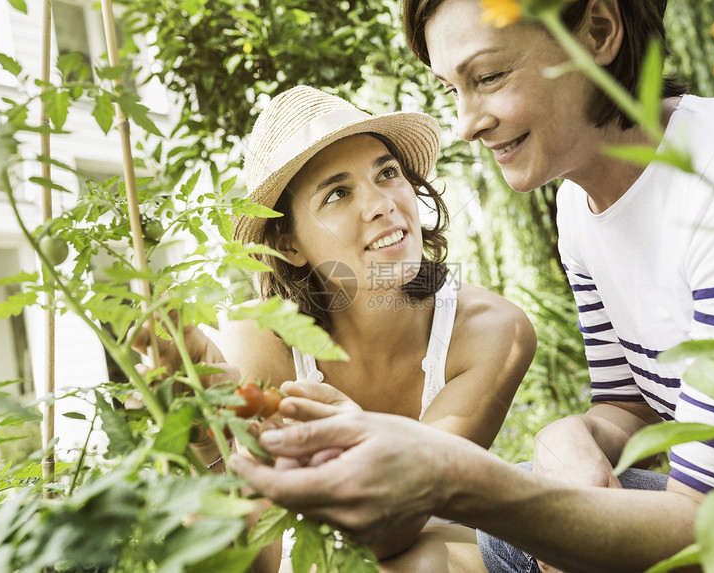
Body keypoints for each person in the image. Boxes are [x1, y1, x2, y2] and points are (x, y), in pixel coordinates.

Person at [227, 0, 714, 571]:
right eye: (452, 90)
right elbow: (631, 404)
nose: (465, 125)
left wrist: (455, 476)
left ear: (599, 31)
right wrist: (568, 433)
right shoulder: (579, 208)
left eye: (488, 76)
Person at [139, 84, 536, 572]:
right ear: (288, 244)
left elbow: (390, 530)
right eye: (338, 193)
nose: (381, 203)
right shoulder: (257, 347)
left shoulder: (491, 333)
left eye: (387, 173)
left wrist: (356, 435)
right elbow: (249, 565)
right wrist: (210, 444)